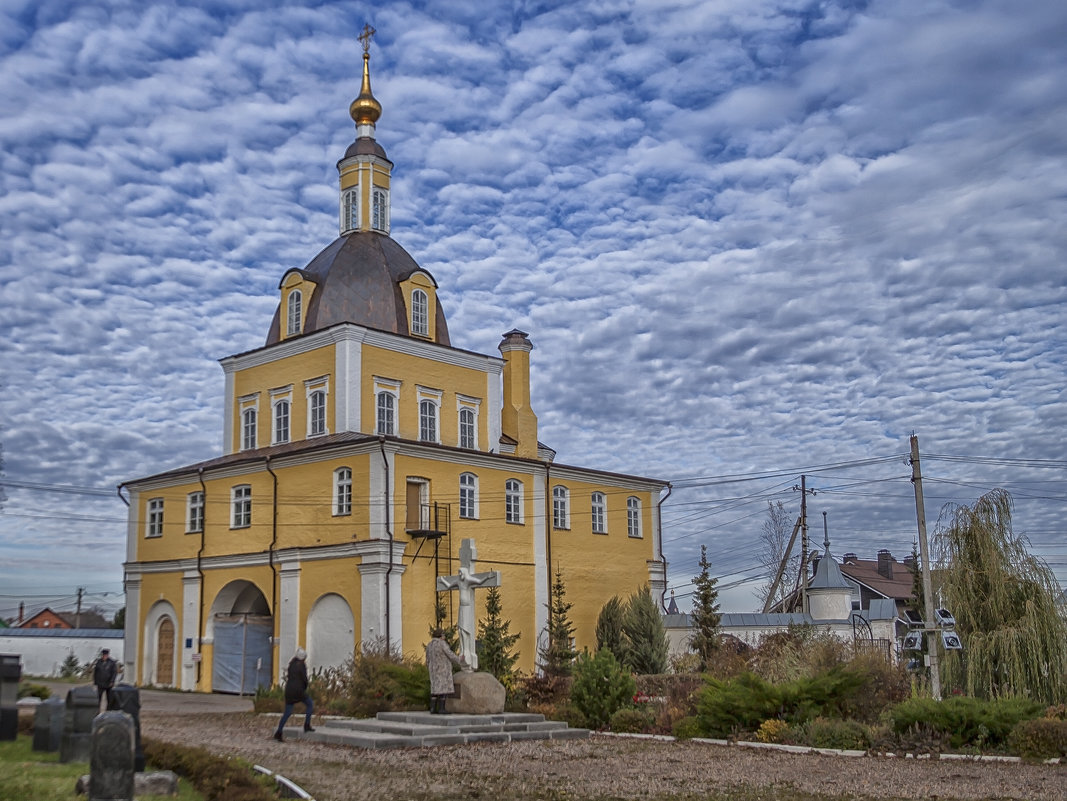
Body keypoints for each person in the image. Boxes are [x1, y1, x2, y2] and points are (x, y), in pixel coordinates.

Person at [273, 647, 315, 742]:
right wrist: (305, 687)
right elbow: (304, 679)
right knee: (310, 704)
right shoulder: (302, 666)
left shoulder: (291, 664)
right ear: (303, 658)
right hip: (298, 690)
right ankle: (306, 725)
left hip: (289, 690)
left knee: (287, 712)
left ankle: (279, 732)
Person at [425, 628, 467, 714]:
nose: (444, 637)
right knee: (443, 688)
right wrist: (459, 659)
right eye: (443, 635)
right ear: (440, 636)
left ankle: (432, 709)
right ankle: (441, 708)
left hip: (432, 669)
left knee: (434, 689)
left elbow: (427, 658)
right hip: (442, 669)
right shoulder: (441, 644)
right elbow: (449, 654)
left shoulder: (430, 645)